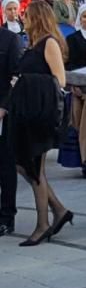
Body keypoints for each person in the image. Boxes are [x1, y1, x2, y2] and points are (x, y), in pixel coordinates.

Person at [6, 2, 70, 246]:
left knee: (34, 168)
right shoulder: (32, 44)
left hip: (41, 113)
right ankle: (59, 210)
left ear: (37, 18)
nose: (23, 18)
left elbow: (59, 80)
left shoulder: (49, 43)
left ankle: (43, 223)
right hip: (28, 112)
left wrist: (24, 81)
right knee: (24, 164)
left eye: (27, 15)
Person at [0, 21, 21, 238]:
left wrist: (4, 106)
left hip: (2, 113)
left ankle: (7, 216)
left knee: (5, 166)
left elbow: (16, 76)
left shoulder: (9, 39)